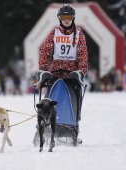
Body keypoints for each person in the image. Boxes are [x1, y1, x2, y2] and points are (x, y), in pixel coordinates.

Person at [38, 4, 88, 142]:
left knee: (75, 98)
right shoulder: (54, 33)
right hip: (55, 73)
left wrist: (81, 71)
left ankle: (74, 127)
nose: (66, 20)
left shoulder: (79, 34)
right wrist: (43, 70)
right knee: (47, 101)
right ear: (59, 18)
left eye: (69, 17)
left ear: (73, 18)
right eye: (63, 17)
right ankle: (42, 127)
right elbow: (45, 52)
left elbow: (83, 55)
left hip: (72, 74)